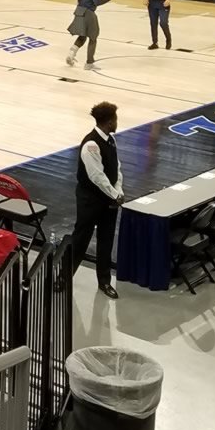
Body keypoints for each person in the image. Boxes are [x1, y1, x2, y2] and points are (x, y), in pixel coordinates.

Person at [69, 101, 123, 300]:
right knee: (81, 239)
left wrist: (118, 190)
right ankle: (64, 277)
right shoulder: (91, 144)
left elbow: (116, 167)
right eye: (115, 119)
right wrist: (115, 194)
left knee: (106, 240)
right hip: (90, 200)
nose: (117, 122)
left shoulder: (110, 140)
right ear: (109, 122)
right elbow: (96, 176)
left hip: (108, 199)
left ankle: (104, 281)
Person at [66, 0, 111, 72]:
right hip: (88, 13)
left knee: (82, 36)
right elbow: (97, 2)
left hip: (79, 11)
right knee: (93, 37)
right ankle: (89, 63)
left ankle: (71, 54)